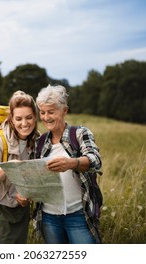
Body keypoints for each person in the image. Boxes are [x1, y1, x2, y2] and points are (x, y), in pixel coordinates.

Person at [35, 84, 102, 244]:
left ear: (64, 111)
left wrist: (72, 163)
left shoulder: (79, 133)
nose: (46, 117)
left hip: (78, 215)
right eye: (42, 112)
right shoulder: (40, 141)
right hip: (48, 217)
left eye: (51, 112)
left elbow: (95, 160)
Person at [0, 91, 39, 243]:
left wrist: (26, 195)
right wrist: (6, 168)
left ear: (35, 117)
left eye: (29, 117)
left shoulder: (37, 140)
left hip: (20, 212)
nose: (24, 123)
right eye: (18, 119)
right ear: (11, 118)